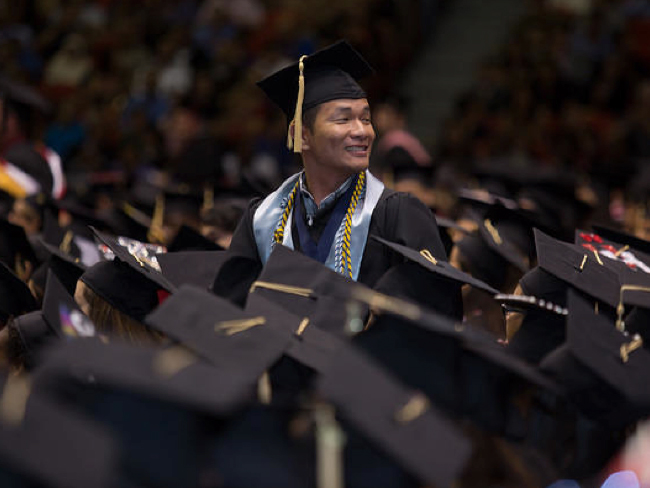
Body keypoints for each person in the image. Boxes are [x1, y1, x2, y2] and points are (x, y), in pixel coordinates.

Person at [214, 41, 447, 304]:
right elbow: (231, 311)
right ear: (302, 136)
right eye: (343, 119)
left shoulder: (397, 215)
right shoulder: (261, 219)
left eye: (366, 119)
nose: (362, 131)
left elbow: (435, 313)